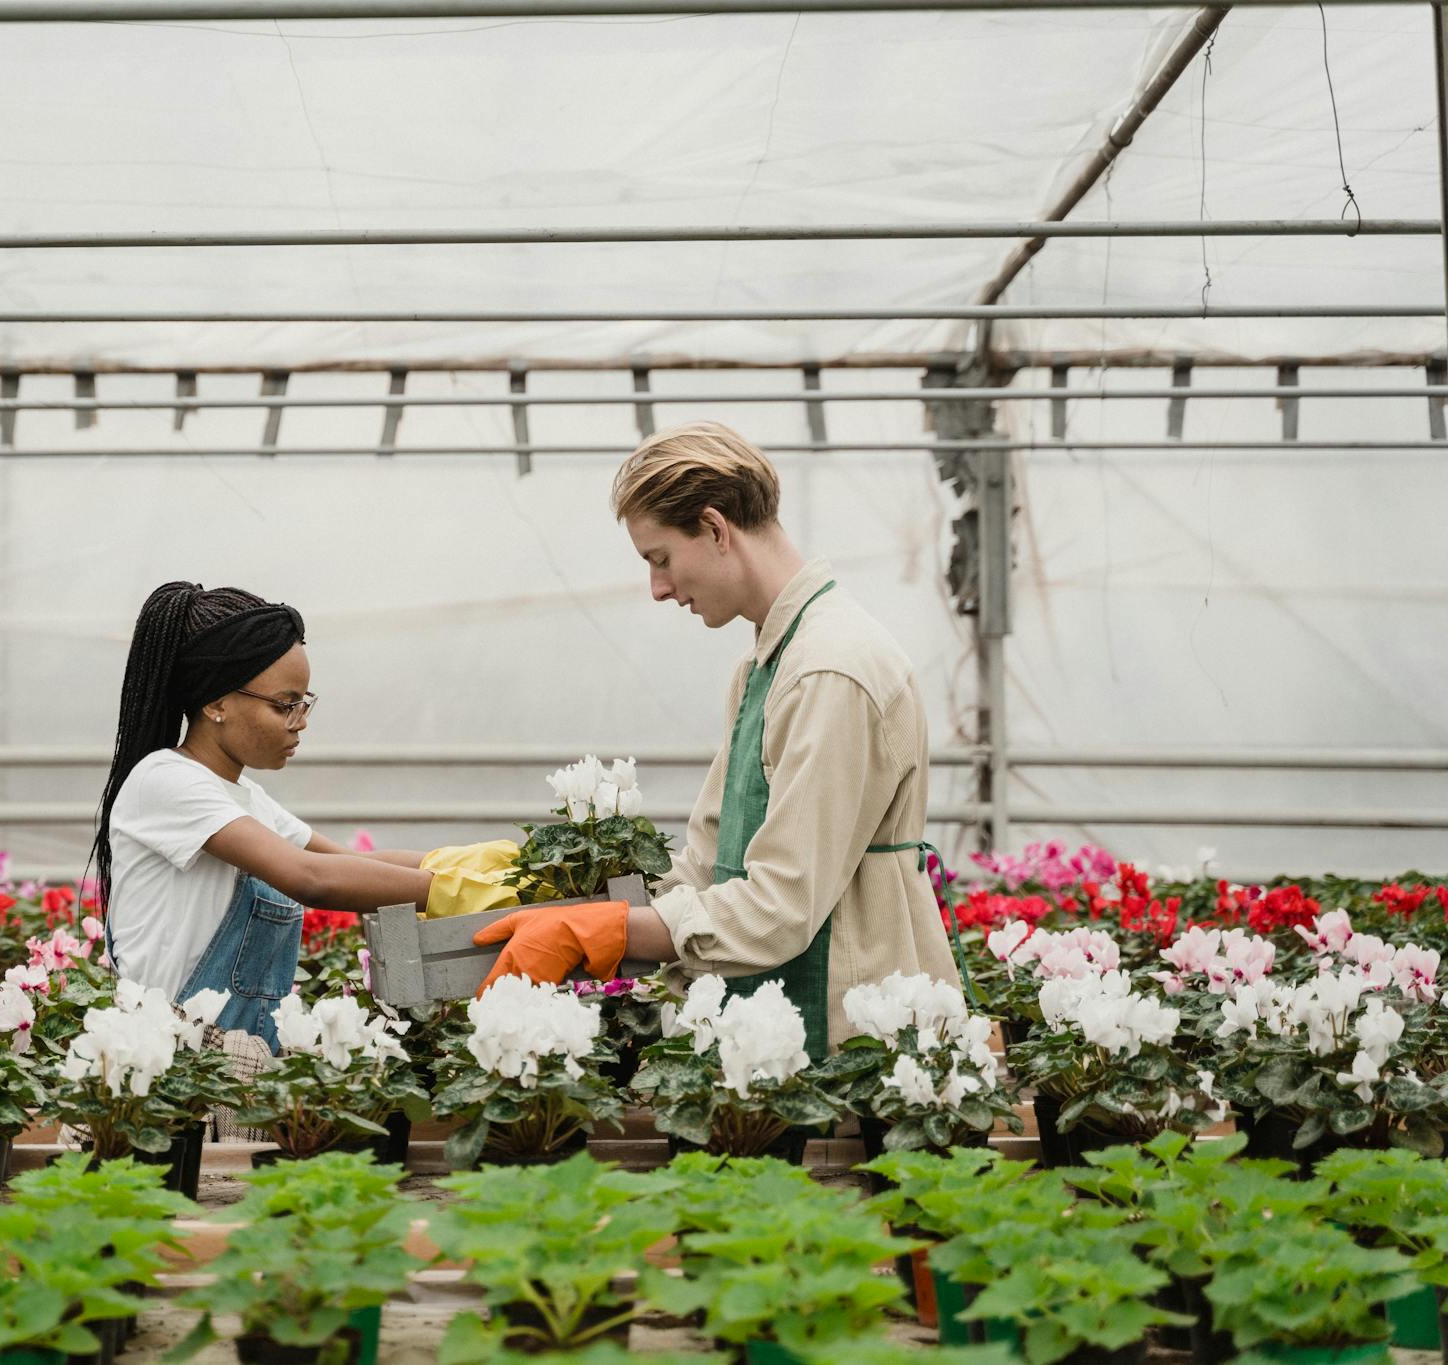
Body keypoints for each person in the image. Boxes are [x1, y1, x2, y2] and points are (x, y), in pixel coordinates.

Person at [473, 422, 966, 1060]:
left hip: (849, 1034)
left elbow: (782, 904)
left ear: (714, 528)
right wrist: (568, 902)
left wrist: (608, 929)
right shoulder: (766, 663)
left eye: (660, 559)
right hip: (767, 1015)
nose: (659, 588)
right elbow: (706, 865)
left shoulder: (831, 670)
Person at [94, 581, 432, 1051]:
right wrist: (460, 891)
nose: (301, 721)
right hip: (173, 1072)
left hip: (238, 1066)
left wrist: (489, 868)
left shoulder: (244, 798)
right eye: (284, 705)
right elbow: (309, 876)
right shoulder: (165, 781)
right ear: (216, 703)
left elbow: (348, 861)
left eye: (303, 702)